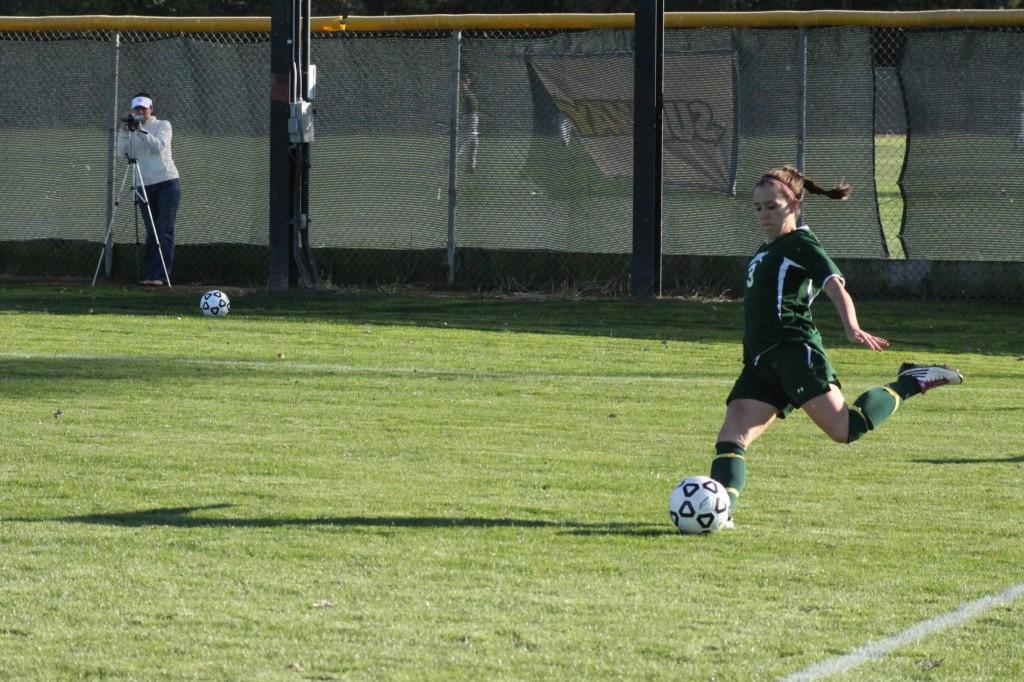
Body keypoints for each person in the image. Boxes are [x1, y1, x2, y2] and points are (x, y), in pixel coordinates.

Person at [707, 165, 963, 529]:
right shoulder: (769, 249)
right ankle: (720, 513)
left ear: (794, 205)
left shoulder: (801, 243)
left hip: (794, 352)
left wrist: (852, 326)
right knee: (733, 434)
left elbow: (833, 284)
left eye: (772, 206)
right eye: (758, 207)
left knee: (848, 428)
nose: (763, 214)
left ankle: (911, 381)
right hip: (762, 361)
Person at [116, 92, 181, 286]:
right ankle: (152, 275)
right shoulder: (132, 130)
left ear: (151, 109)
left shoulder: (163, 125)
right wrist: (124, 131)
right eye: (137, 109)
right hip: (144, 186)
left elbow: (158, 146)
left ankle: (162, 276)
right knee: (151, 232)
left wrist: (141, 130)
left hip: (167, 184)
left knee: (164, 230)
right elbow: (122, 153)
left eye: (144, 108)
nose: (141, 112)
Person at [458, 75, 479, 173]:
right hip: (469, 118)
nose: (468, 82)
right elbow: (465, 108)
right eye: (465, 81)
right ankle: (450, 161)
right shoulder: (463, 93)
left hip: (472, 118)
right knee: (465, 141)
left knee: (473, 143)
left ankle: (471, 166)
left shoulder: (467, 93)